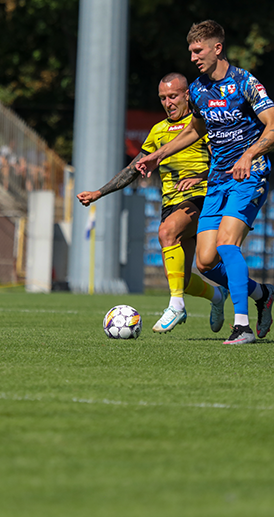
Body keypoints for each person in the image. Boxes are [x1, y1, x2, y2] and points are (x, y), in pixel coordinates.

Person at [136, 20, 274, 345]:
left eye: (198, 50)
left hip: (250, 173)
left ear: (217, 48)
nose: (192, 57)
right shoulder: (199, 90)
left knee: (226, 244)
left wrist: (249, 154)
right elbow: (195, 130)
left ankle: (242, 326)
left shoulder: (245, 82)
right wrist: (158, 154)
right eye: (190, 51)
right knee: (205, 262)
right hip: (218, 180)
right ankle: (262, 294)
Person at [77, 73, 226, 333]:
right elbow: (134, 168)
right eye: (163, 98)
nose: (168, 102)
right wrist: (99, 193)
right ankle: (217, 296)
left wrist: (200, 176)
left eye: (173, 96)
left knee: (167, 232)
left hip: (202, 198)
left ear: (187, 95)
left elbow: (224, 163)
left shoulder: (200, 125)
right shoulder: (157, 131)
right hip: (171, 204)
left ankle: (176, 307)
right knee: (182, 278)